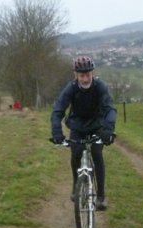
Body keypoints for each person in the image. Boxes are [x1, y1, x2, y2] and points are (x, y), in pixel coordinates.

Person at [50, 56, 117, 210]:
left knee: (96, 153)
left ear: (92, 73)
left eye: (88, 75)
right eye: (82, 76)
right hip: (78, 125)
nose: (85, 79)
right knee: (76, 153)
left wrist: (108, 130)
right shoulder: (71, 88)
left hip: (97, 125)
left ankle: (100, 196)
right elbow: (58, 110)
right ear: (76, 75)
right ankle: (76, 184)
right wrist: (57, 132)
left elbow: (110, 109)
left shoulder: (100, 86)